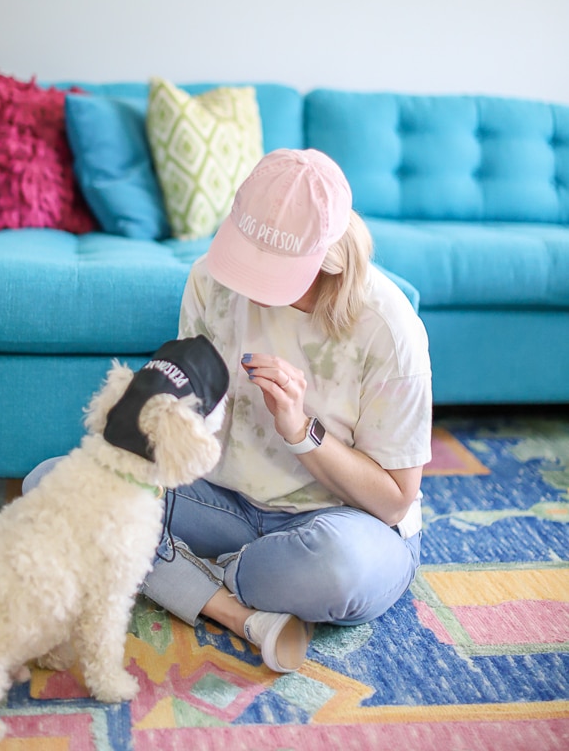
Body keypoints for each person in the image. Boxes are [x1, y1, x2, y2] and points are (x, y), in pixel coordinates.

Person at [24, 148, 432, 674]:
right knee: (51, 486)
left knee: (339, 571)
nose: (250, 287)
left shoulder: (389, 329)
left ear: (326, 259)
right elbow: (186, 422)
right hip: (222, 503)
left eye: (272, 272)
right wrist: (155, 414)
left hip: (341, 524)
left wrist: (301, 432)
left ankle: (174, 567)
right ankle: (239, 613)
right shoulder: (210, 280)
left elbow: (395, 502)